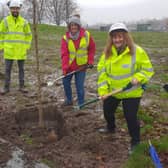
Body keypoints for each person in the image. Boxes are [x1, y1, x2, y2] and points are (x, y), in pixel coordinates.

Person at [97, 23, 154, 153]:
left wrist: (139, 77)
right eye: (114, 37)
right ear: (111, 39)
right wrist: (103, 91)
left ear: (125, 37)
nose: (117, 40)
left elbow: (148, 69)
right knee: (107, 112)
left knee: (130, 117)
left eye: (120, 36)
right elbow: (102, 73)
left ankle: (135, 142)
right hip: (113, 92)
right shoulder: (107, 53)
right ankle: (110, 128)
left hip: (131, 92)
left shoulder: (137, 51)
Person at [60, 16, 95, 106]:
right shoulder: (65, 38)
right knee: (65, 82)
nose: (73, 27)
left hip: (81, 67)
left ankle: (81, 103)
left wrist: (90, 60)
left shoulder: (86, 35)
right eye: (72, 25)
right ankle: (69, 100)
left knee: (79, 86)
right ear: (69, 27)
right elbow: (64, 54)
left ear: (79, 26)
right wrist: (65, 68)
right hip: (70, 67)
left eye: (75, 25)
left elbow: (91, 48)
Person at [0, 0, 32, 94]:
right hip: (9, 50)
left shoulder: (24, 22)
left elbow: (28, 35)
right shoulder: (5, 21)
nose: (15, 10)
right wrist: (1, 46)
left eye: (17, 8)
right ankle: (6, 88)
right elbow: (1, 34)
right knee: (7, 70)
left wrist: (26, 46)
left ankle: (22, 87)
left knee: (21, 69)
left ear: (19, 9)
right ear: (10, 9)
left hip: (20, 50)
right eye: (13, 8)